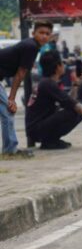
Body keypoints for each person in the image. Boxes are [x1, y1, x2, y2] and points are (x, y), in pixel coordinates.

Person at [26, 51, 82, 150]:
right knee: (75, 112)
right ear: (58, 67)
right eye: (62, 63)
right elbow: (72, 104)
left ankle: (52, 140)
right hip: (37, 130)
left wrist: (75, 85)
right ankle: (50, 142)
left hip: (37, 128)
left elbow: (67, 101)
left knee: (78, 111)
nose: (64, 66)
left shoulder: (46, 82)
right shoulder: (48, 84)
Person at [0, 21, 52, 157]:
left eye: (47, 34)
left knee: (6, 113)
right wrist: (12, 98)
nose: (44, 36)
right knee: (8, 111)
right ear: (33, 33)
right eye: (41, 33)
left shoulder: (32, 46)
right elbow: (20, 74)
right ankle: (10, 150)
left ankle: (9, 149)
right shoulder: (31, 47)